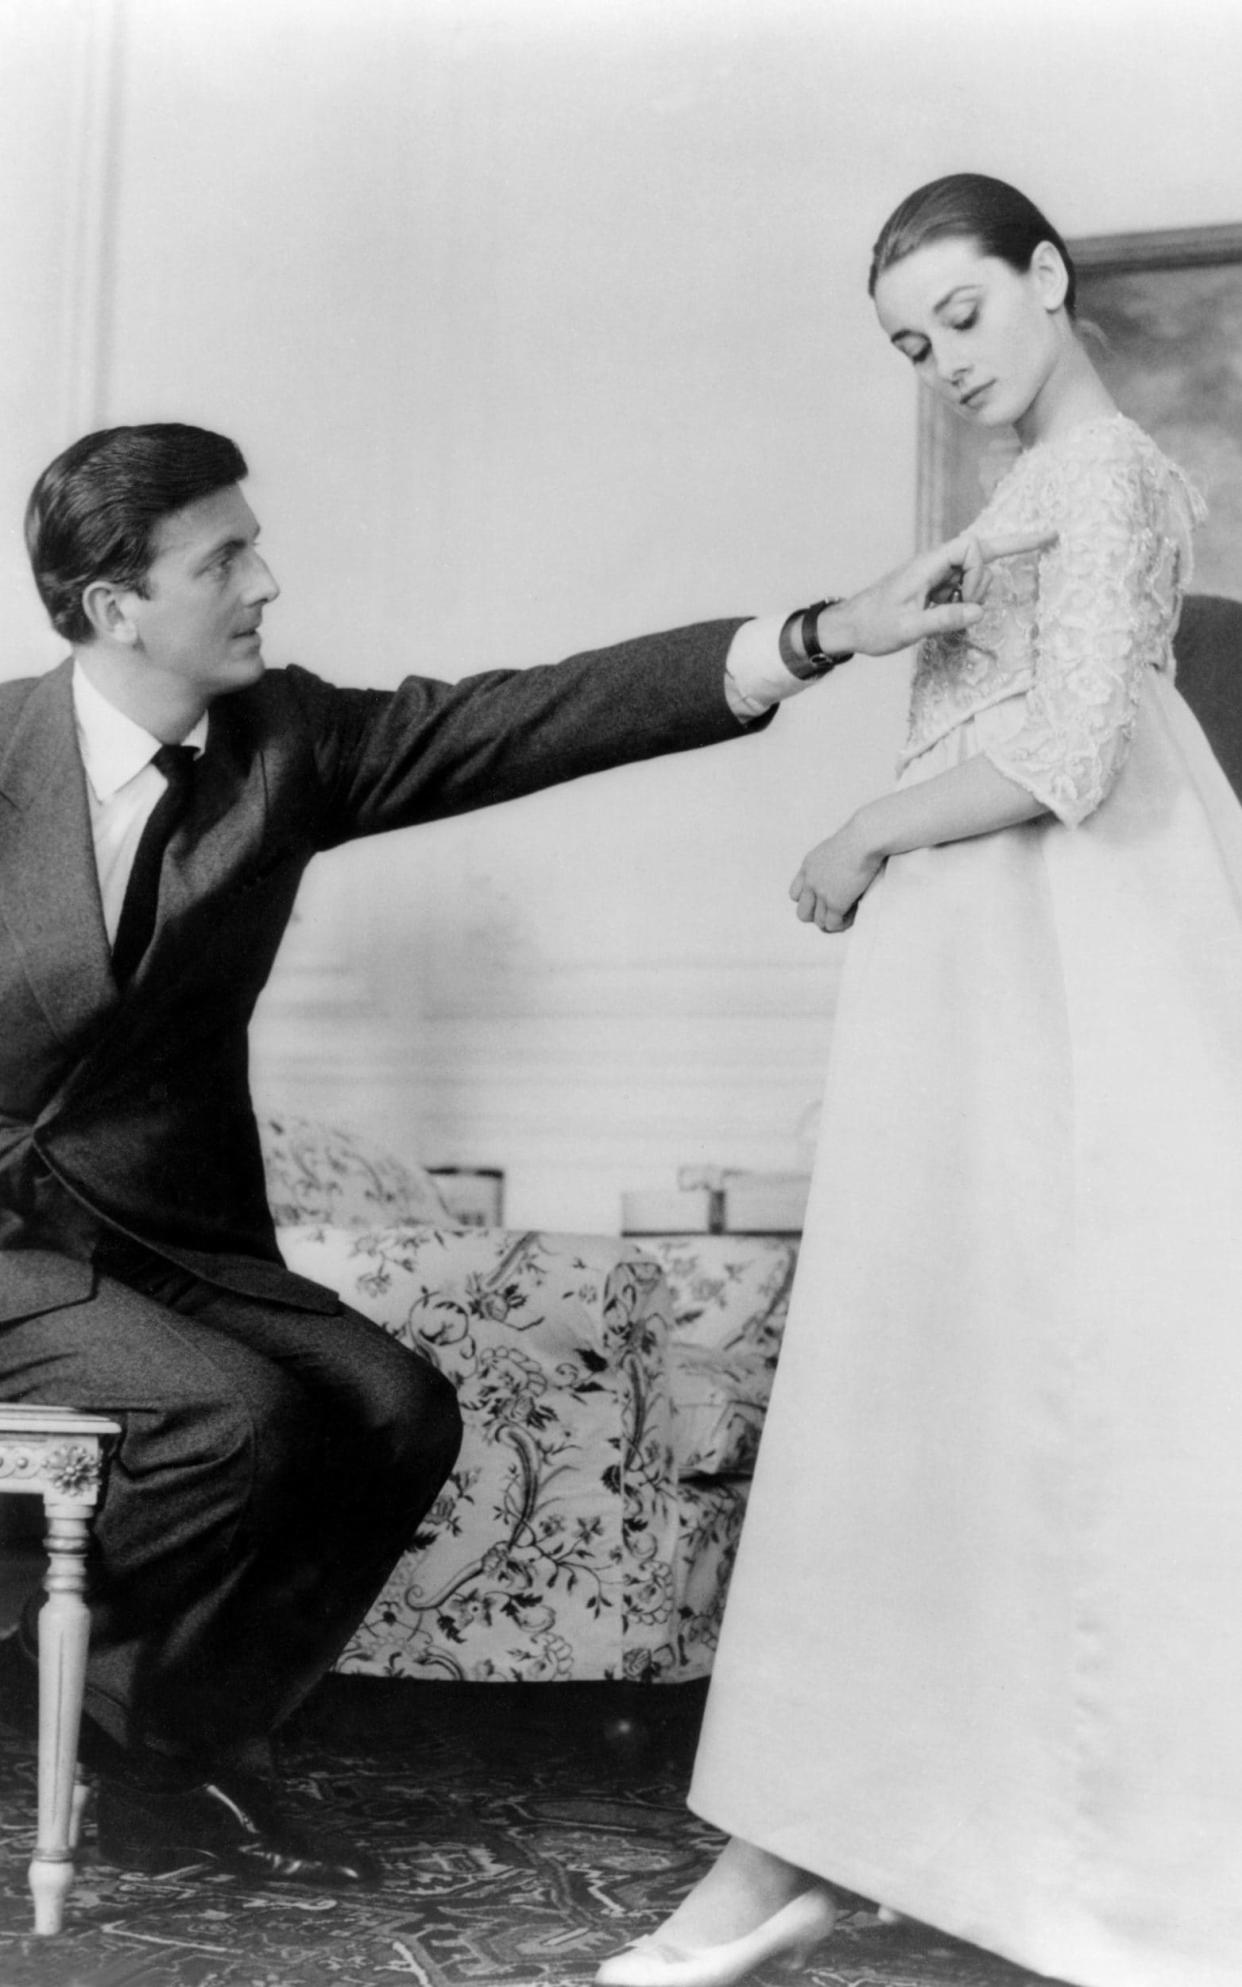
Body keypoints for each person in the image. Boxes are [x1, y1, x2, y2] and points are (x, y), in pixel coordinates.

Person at [0, 422, 1032, 1894]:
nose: (266, 581)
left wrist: (817, 638)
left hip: (170, 1235)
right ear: (116, 607)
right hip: (7, 1249)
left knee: (395, 1411)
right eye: (223, 557)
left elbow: (533, 715)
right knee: (237, 1419)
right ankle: (52, 1684)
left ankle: (170, 1743)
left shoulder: (284, 742)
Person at [596, 174, 1242, 1987]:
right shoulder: (1022, 496)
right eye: (908, 343)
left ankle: (1008, 1844)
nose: (942, 362)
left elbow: (1062, 749)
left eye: (962, 315)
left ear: (1046, 277)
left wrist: (861, 834)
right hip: (997, 968)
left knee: (1051, 1383)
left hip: (1074, 959)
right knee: (956, 1385)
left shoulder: (1106, 475)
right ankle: (843, 1831)